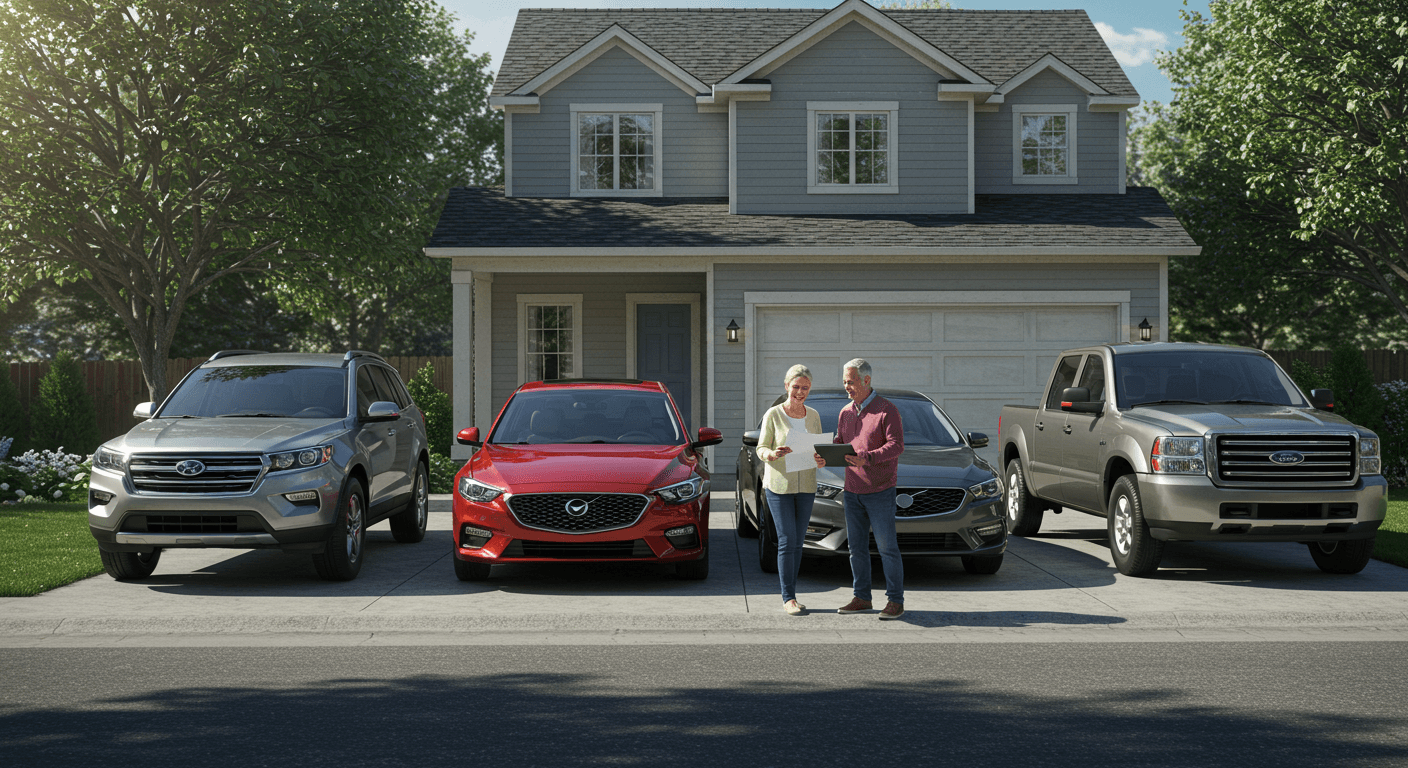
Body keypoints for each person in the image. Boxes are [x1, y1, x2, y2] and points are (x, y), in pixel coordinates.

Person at [827, 358, 905, 620]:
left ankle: (895, 601)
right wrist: (825, 454)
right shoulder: (846, 412)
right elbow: (841, 442)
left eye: (850, 381)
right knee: (856, 549)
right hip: (852, 491)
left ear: (866, 380)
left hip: (880, 491)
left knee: (887, 549)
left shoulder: (887, 410)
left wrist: (868, 457)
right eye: (844, 382)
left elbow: (896, 446)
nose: (846, 386)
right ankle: (862, 597)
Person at [755, 364, 823, 615]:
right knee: (786, 540)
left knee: (798, 542)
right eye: (796, 387)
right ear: (786, 387)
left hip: (806, 484)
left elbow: (817, 448)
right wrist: (772, 454)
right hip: (779, 485)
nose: (800, 392)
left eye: (805, 388)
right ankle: (788, 598)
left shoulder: (813, 415)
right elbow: (761, 448)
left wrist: (821, 459)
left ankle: (793, 594)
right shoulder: (774, 414)